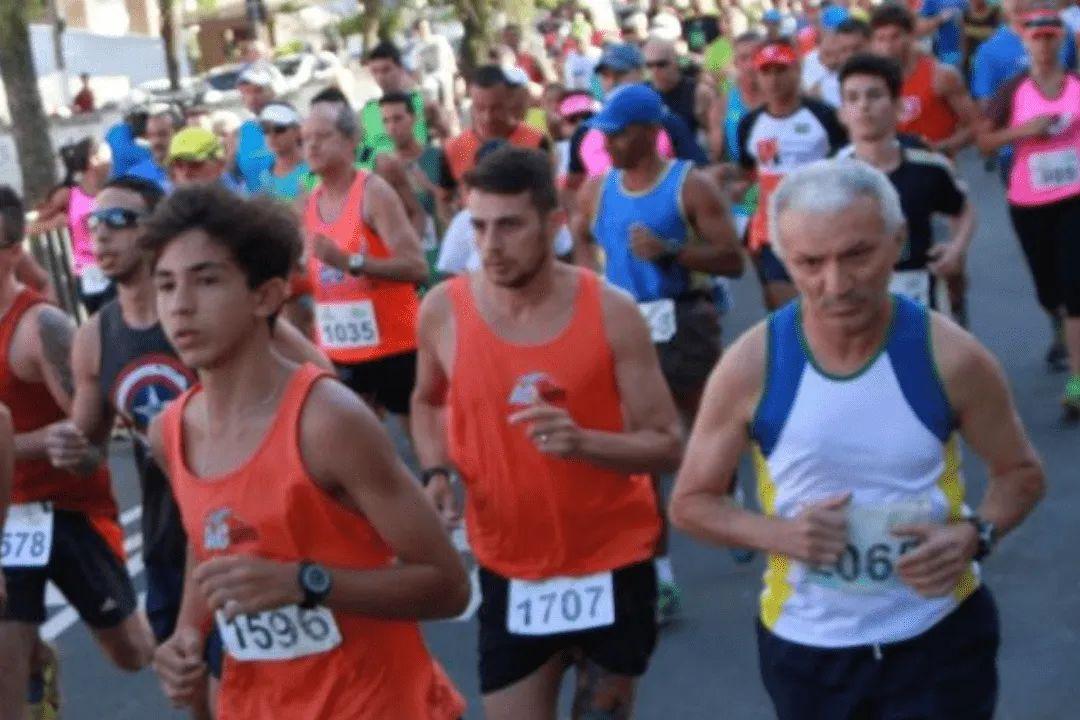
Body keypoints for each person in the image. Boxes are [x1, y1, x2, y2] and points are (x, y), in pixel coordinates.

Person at [669, 159, 1046, 720]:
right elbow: (692, 502)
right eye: (809, 263)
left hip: (938, 636)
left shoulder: (952, 357)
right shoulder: (752, 365)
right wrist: (781, 534)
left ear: (898, 242)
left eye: (857, 255)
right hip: (810, 650)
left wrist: (977, 534)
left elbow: (1021, 474)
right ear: (781, 255)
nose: (836, 284)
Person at [142, 185, 468, 718]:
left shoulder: (327, 421)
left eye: (206, 281)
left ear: (265, 296)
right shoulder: (170, 431)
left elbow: (447, 585)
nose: (180, 305)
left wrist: (304, 583)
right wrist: (185, 635)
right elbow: (211, 540)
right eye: (166, 284)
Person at [413, 146, 682, 720]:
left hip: (612, 561)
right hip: (510, 567)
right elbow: (427, 401)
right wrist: (436, 470)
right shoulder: (442, 311)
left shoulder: (611, 311)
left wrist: (585, 443)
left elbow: (667, 442)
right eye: (477, 225)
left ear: (553, 223)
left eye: (509, 226)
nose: (489, 245)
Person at [573, 84, 745, 622]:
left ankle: (731, 494)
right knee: (642, 454)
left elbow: (733, 261)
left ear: (651, 131)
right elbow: (579, 238)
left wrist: (673, 250)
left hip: (684, 320)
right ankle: (661, 576)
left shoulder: (689, 186)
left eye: (619, 132)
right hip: (625, 332)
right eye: (606, 132)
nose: (609, 142)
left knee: (706, 421)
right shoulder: (597, 191)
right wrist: (591, 285)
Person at [0, 185, 155, 719]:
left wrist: (49, 443)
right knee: (6, 671)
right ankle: (30, 667)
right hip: (5, 517)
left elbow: (88, 446)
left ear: (9, 250)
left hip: (67, 510)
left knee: (132, 652)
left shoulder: (41, 327)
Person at [976, 7, 1080, 417]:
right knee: (1048, 289)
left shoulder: (1076, 85)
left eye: (1052, 36)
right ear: (1025, 42)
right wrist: (1025, 130)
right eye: (1037, 37)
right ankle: (1057, 317)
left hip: (1074, 196)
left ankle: (1077, 377)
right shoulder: (1013, 91)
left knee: (1076, 287)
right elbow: (984, 142)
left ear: (1063, 41)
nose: (1045, 43)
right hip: (1029, 201)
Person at [301, 95, 428, 422]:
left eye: (322, 137)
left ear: (350, 141)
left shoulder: (374, 192)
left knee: (418, 438)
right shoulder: (309, 201)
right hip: (339, 347)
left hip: (393, 344)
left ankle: (437, 475)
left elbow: (416, 267)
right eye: (306, 139)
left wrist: (352, 263)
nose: (311, 147)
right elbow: (314, 272)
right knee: (360, 444)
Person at [837, 53, 975, 314]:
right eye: (853, 98)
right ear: (842, 113)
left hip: (921, 291)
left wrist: (955, 250)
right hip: (856, 295)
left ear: (898, 106)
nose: (864, 106)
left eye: (874, 96)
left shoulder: (928, 166)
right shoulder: (831, 175)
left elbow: (964, 208)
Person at [731, 40, 848, 310]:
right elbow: (749, 176)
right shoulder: (750, 124)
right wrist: (745, 217)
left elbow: (846, 164)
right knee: (785, 310)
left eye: (781, 70)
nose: (773, 80)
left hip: (821, 226)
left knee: (822, 303)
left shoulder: (823, 116)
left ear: (797, 70)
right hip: (772, 233)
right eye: (766, 72)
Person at [870, 4, 979, 156]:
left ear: (910, 36)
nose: (888, 46)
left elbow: (975, 126)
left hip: (936, 172)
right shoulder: (871, 83)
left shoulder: (941, 76)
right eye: (880, 39)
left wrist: (939, 148)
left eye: (895, 37)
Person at [378, 92, 451, 283]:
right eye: (386, 121)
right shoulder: (382, 168)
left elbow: (458, 208)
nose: (392, 127)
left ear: (413, 118)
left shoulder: (438, 157)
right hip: (406, 266)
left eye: (398, 118)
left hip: (442, 262)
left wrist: (430, 188)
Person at [444, 66, 549, 187]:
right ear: (471, 105)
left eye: (496, 108)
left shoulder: (535, 141)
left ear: (509, 102)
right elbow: (444, 199)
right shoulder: (453, 149)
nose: (487, 117)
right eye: (480, 108)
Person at [970, 0, 1077, 103]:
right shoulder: (989, 50)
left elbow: (1073, 80)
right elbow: (985, 103)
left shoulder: (1062, 35)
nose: (1016, 2)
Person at [361, 41, 453, 157]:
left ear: (400, 69)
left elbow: (450, 141)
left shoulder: (422, 103)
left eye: (386, 70)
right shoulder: (369, 111)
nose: (380, 77)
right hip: (382, 171)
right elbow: (365, 154)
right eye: (375, 71)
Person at [644, 38, 720, 140]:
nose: (655, 71)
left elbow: (715, 134)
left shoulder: (698, 93)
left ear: (676, 62)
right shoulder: (645, 93)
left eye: (661, 64)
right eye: (649, 65)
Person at [233, 62, 280, 193]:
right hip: (257, 210)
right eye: (246, 92)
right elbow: (234, 178)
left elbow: (313, 172)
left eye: (258, 90)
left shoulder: (293, 127)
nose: (252, 97)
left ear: (272, 92)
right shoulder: (241, 133)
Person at [810, 17, 871, 108]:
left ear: (870, 45)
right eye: (844, 50)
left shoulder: (888, 79)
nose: (850, 56)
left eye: (856, 48)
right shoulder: (821, 90)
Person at [255, 102, 308, 202]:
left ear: (297, 131)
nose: (272, 135)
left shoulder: (315, 169)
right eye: (265, 129)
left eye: (279, 129)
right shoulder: (265, 176)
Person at [127, 105, 181, 192]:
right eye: (151, 135)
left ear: (177, 134)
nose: (157, 141)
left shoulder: (189, 172)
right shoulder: (136, 176)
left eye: (163, 134)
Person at [166, 128, 238, 191]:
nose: (186, 173)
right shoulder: (166, 203)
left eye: (194, 164)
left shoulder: (238, 203)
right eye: (179, 166)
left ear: (219, 165)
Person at [917, 0, 968, 67]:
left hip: (969, 53)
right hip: (945, 54)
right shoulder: (931, 1)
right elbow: (921, 28)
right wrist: (940, 18)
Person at [962, 0, 1002, 78]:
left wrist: (970, 30)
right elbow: (964, 41)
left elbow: (997, 34)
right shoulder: (965, 13)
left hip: (992, 60)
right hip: (971, 61)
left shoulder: (995, 11)